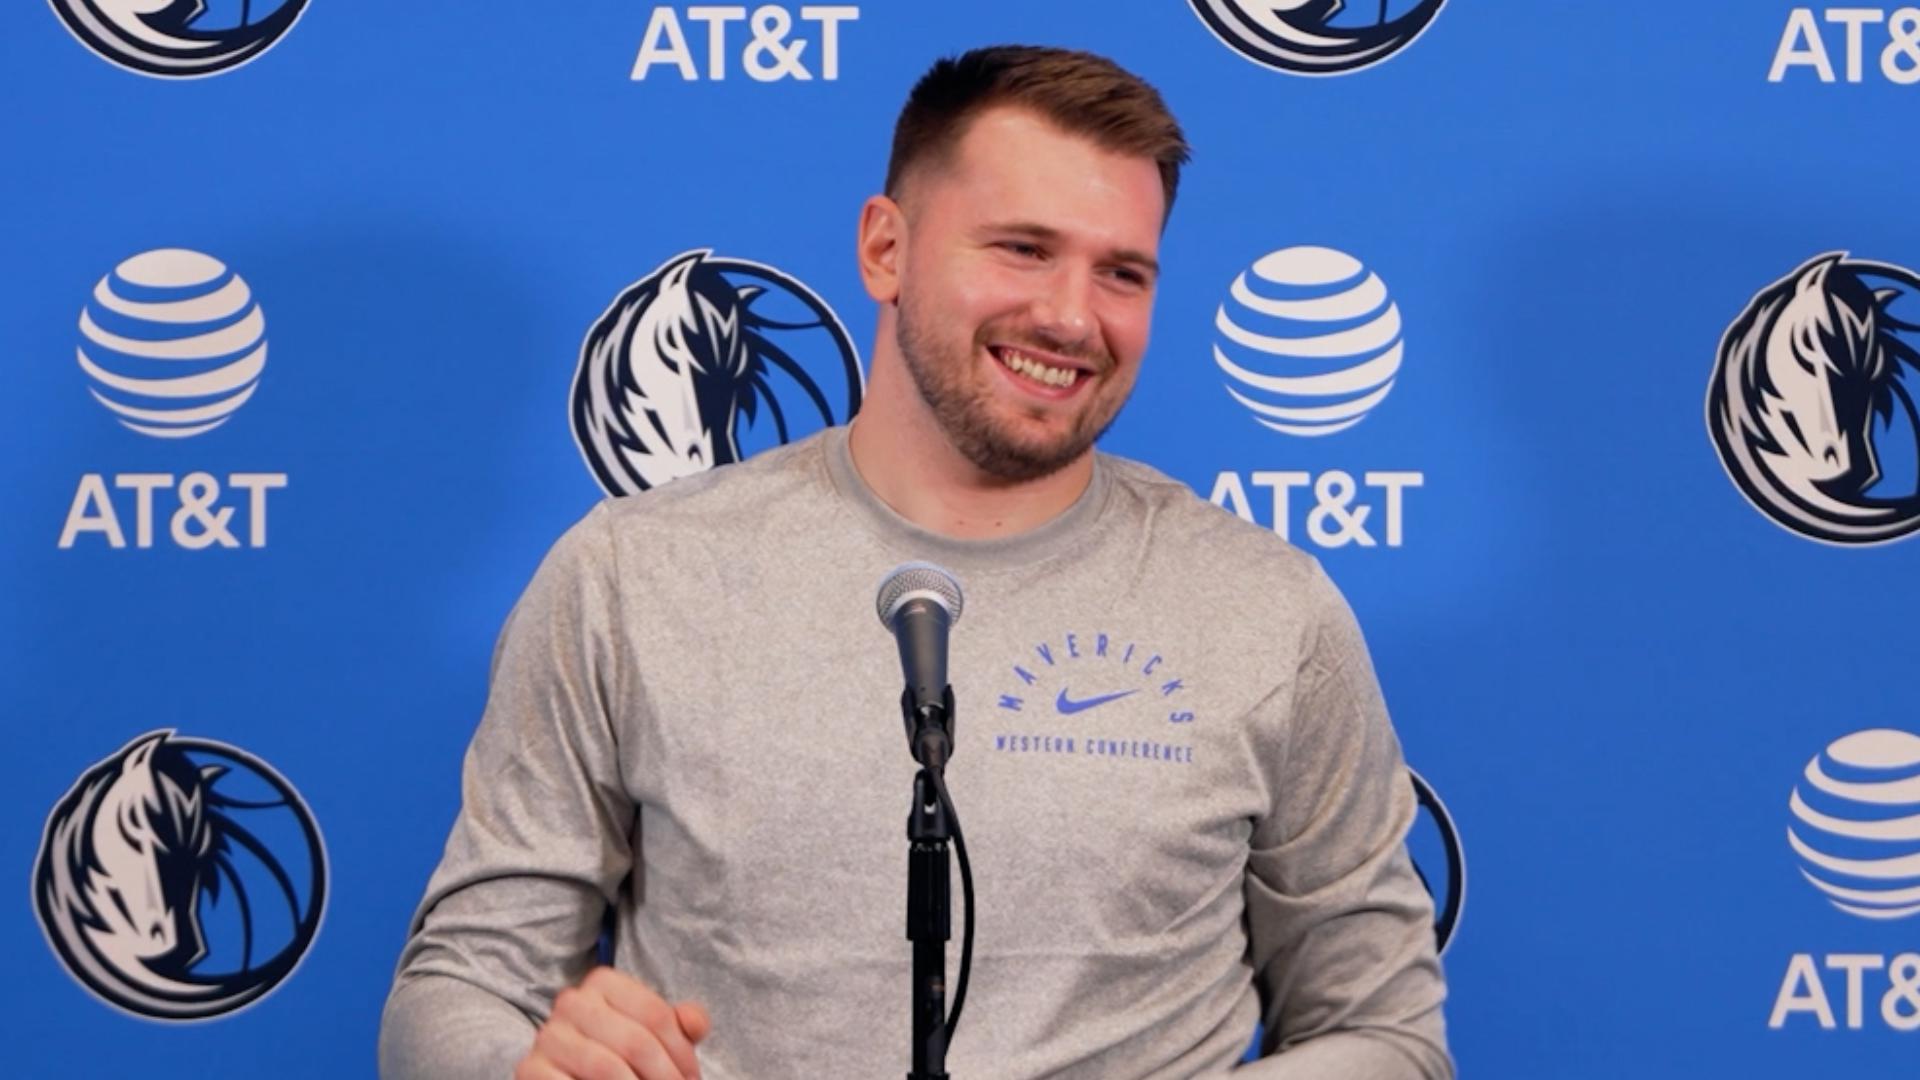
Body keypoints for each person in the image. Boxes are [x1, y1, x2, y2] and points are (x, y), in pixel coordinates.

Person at [380, 45, 1451, 1080]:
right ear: (885, 249)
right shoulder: (630, 577)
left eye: (1121, 272)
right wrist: (527, 1066)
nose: (1073, 317)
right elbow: (460, 986)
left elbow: (1390, 1035)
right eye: (1022, 249)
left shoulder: (1267, 611)